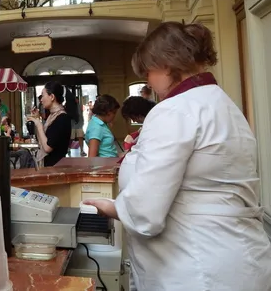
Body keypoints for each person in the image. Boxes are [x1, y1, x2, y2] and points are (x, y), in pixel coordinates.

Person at [85, 22, 271, 291]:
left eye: (148, 72)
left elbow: (146, 212)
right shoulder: (221, 103)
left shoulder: (174, 110)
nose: (148, 81)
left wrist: (110, 207)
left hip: (196, 265)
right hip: (236, 256)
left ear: (165, 65)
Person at [27, 81, 72, 167]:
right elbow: (44, 139)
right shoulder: (52, 116)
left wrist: (39, 125)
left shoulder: (62, 118)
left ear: (52, 97)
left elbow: (47, 148)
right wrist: (37, 119)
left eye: (43, 95)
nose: (41, 99)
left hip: (55, 168)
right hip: (49, 166)